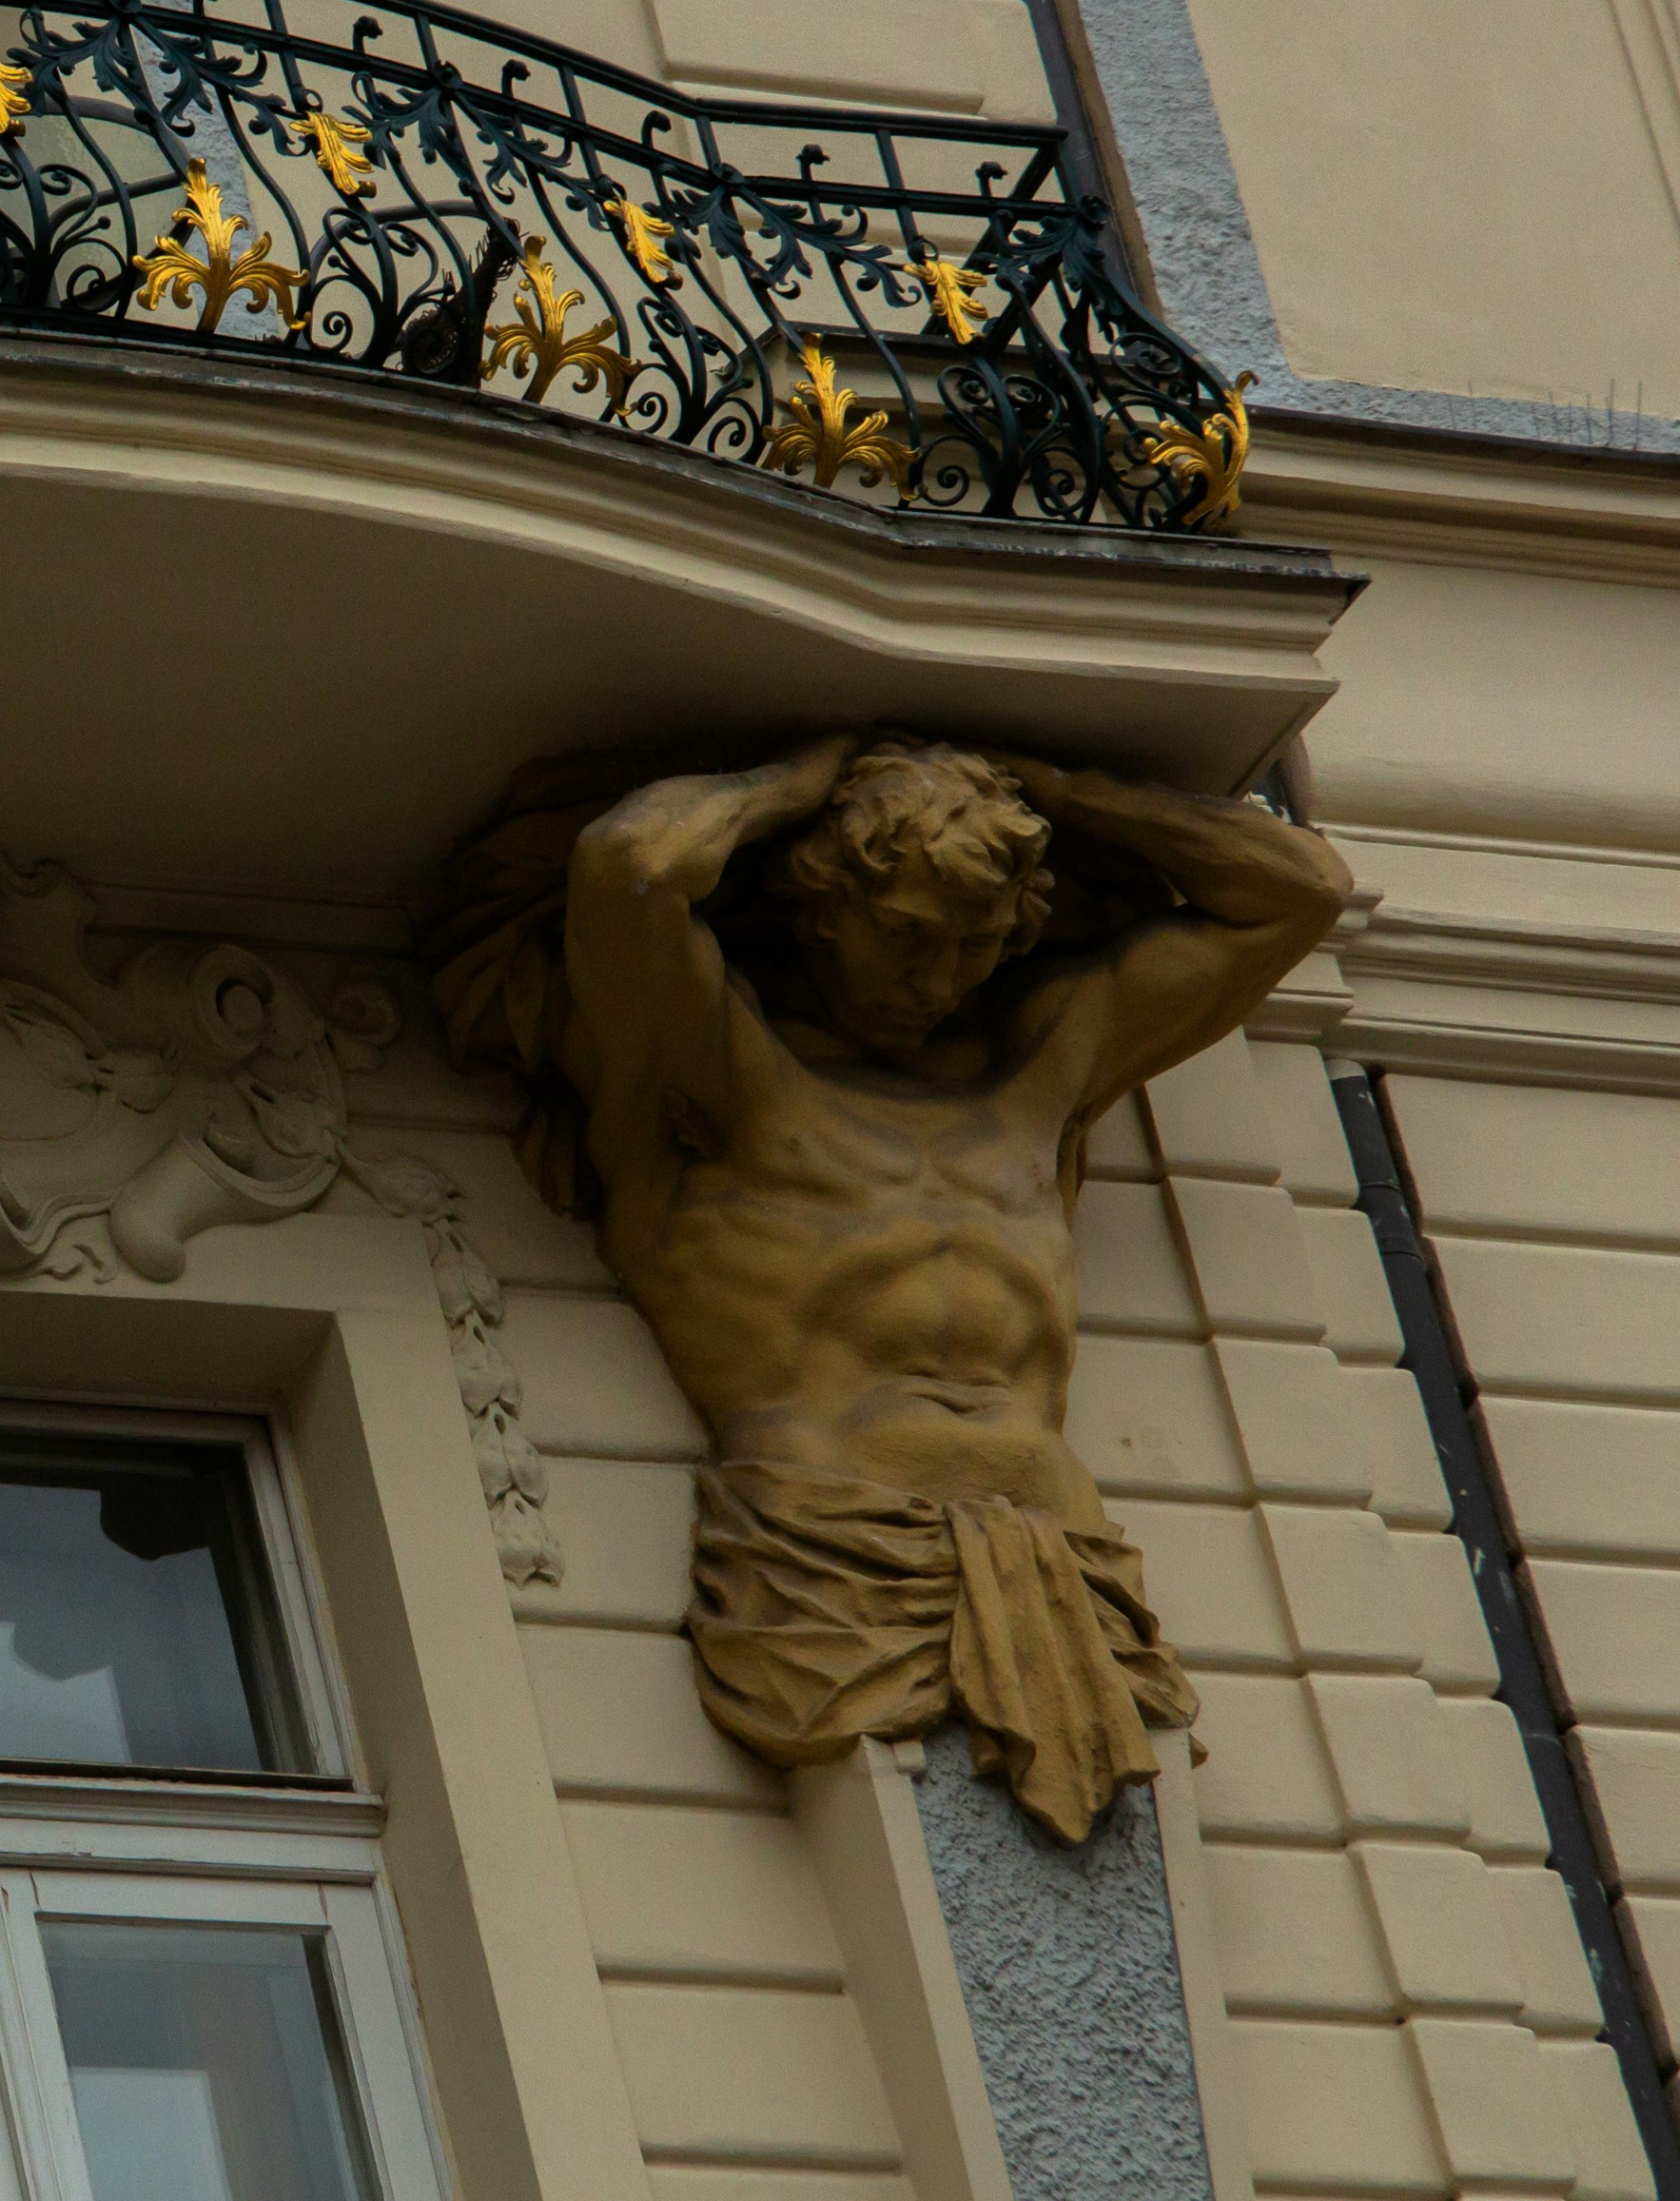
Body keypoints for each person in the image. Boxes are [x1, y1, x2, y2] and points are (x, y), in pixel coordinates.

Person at [446, 733, 1346, 1837]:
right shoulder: (715, 1083)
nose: (937, 979)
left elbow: (1301, 892)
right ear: (821, 905)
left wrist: (1053, 788)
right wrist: (800, 781)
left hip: (1070, 1569)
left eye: (976, 944)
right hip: (828, 1563)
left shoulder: (1040, 1081)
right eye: (909, 935)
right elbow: (628, 863)